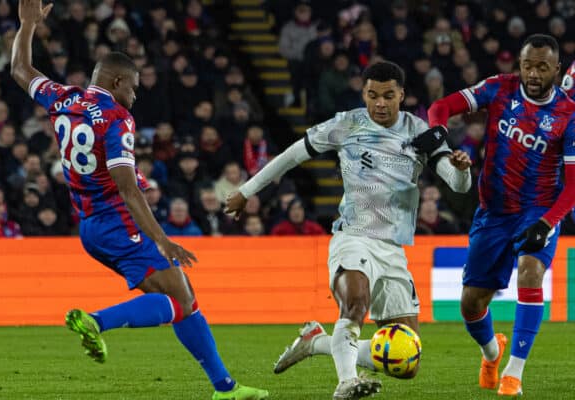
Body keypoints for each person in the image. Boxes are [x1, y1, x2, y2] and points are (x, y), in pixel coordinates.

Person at [10, 1, 268, 399]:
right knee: (178, 301)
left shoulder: (63, 98)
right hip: (119, 221)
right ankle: (95, 321)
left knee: (184, 298)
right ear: (116, 83)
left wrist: (26, 25)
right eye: (133, 87)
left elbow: (20, 70)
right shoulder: (115, 117)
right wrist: (163, 239)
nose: (135, 95)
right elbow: (128, 188)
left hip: (90, 226)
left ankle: (225, 387)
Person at [226, 61, 472, 399]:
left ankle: (318, 343)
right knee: (355, 303)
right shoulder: (347, 124)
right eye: (372, 95)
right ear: (364, 94)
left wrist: (461, 170)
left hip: (393, 248)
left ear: (402, 95)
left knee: (407, 360)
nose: (380, 104)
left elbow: (457, 185)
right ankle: (346, 381)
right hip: (353, 236)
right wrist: (246, 191)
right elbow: (290, 156)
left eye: (388, 96)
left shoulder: (420, 130)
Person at [427, 34, 575, 396]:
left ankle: (514, 373)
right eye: (527, 65)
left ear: (557, 69)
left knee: (530, 271)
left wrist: (546, 223)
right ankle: (492, 354)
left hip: (537, 209)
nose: (534, 73)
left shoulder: (568, 115)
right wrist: (438, 131)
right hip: (493, 211)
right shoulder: (498, 88)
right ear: (518, 65)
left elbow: (573, 187)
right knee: (471, 304)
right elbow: (440, 107)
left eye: (542, 67)